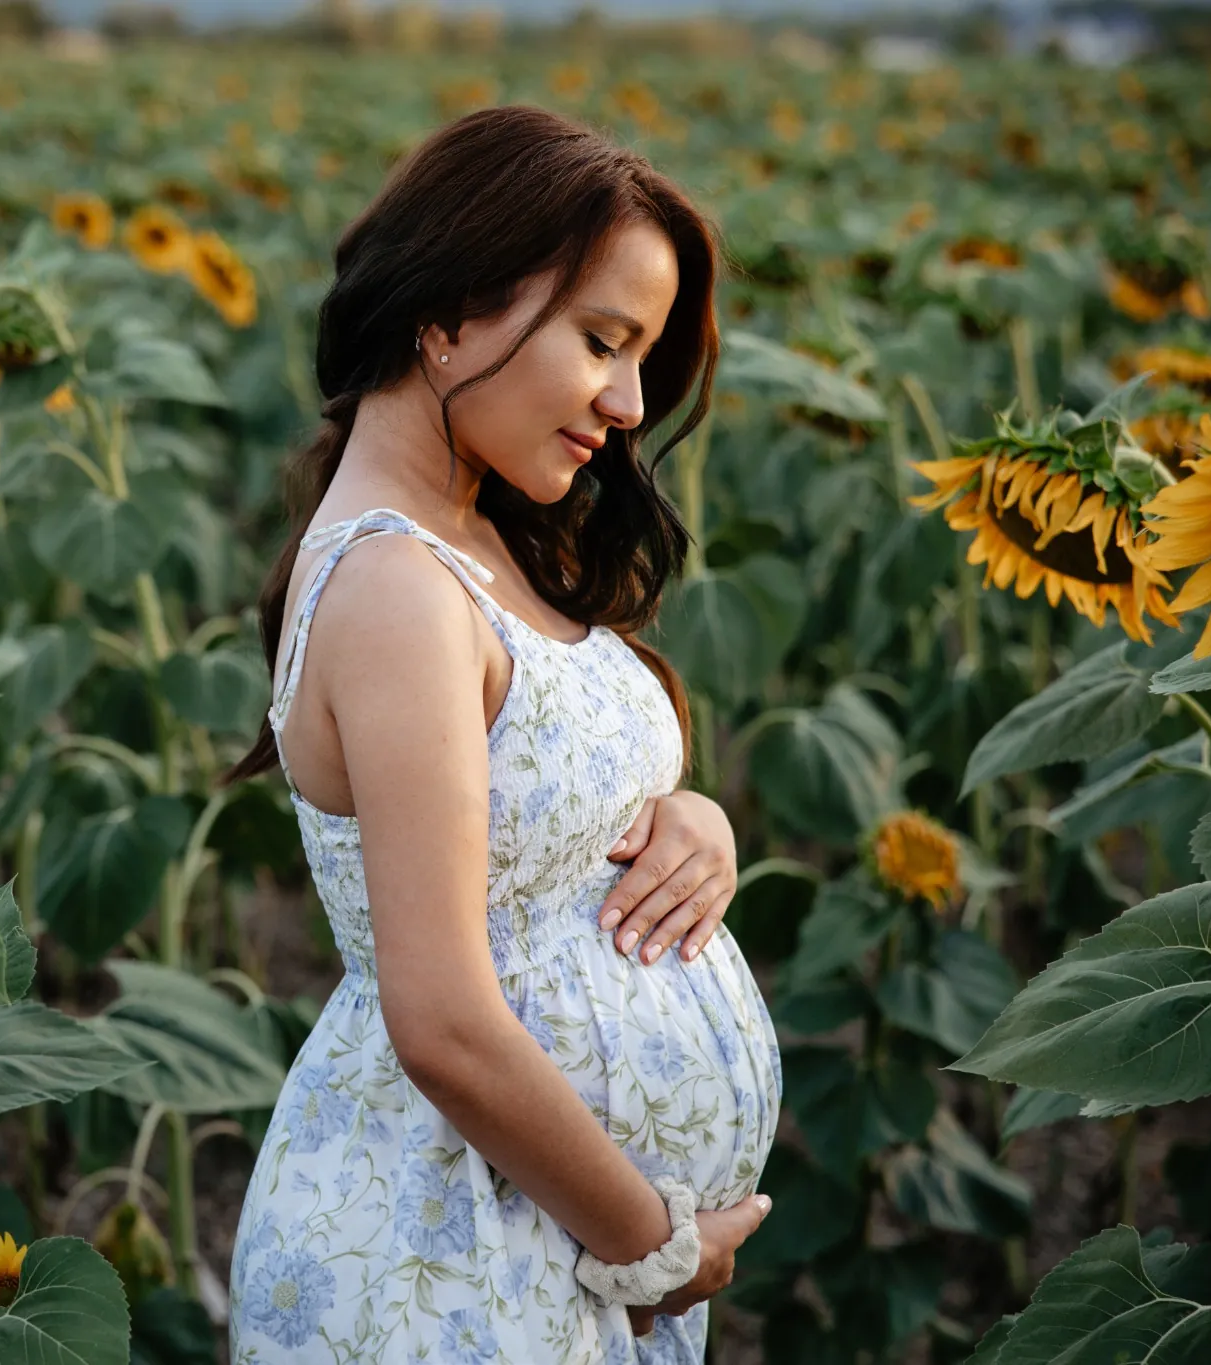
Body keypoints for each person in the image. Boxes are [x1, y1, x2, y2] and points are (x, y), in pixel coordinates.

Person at [218, 106, 783, 1362]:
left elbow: (551, 795)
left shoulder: (479, 539)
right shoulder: (393, 589)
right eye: (603, 341)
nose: (630, 403)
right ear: (449, 312)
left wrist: (692, 825)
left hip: (537, 1253)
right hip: (449, 1259)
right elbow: (442, 1021)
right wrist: (653, 1243)